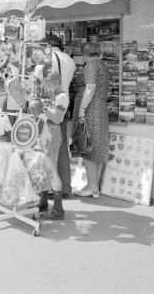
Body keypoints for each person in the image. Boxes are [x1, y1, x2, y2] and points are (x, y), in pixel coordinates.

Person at [71, 41, 111, 198]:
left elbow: (90, 87)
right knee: (98, 147)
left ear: (85, 54)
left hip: (91, 108)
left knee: (88, 145)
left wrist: (82, 109)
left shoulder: (91, 66)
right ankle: (95, 186)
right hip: (100, 108)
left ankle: (91, 185)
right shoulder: (103, 66)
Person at [38, 70, 69, 220]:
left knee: (52, 170)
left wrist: (43, 109)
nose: (47, 88)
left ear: (56, 83)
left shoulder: (62, 97)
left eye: (49, 85)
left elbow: (57, 118)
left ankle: (58, 209)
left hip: (53, 134)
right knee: (45, 168)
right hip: (47, 132)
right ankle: (43, 202)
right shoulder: (55, 96)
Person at [48, 33, 76, 197]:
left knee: (50, 149)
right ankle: (65, 186)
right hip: (64, 105)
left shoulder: (49, 57)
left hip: (52, 106)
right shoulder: (69, 59)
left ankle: (53, 187)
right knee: (63, 148)